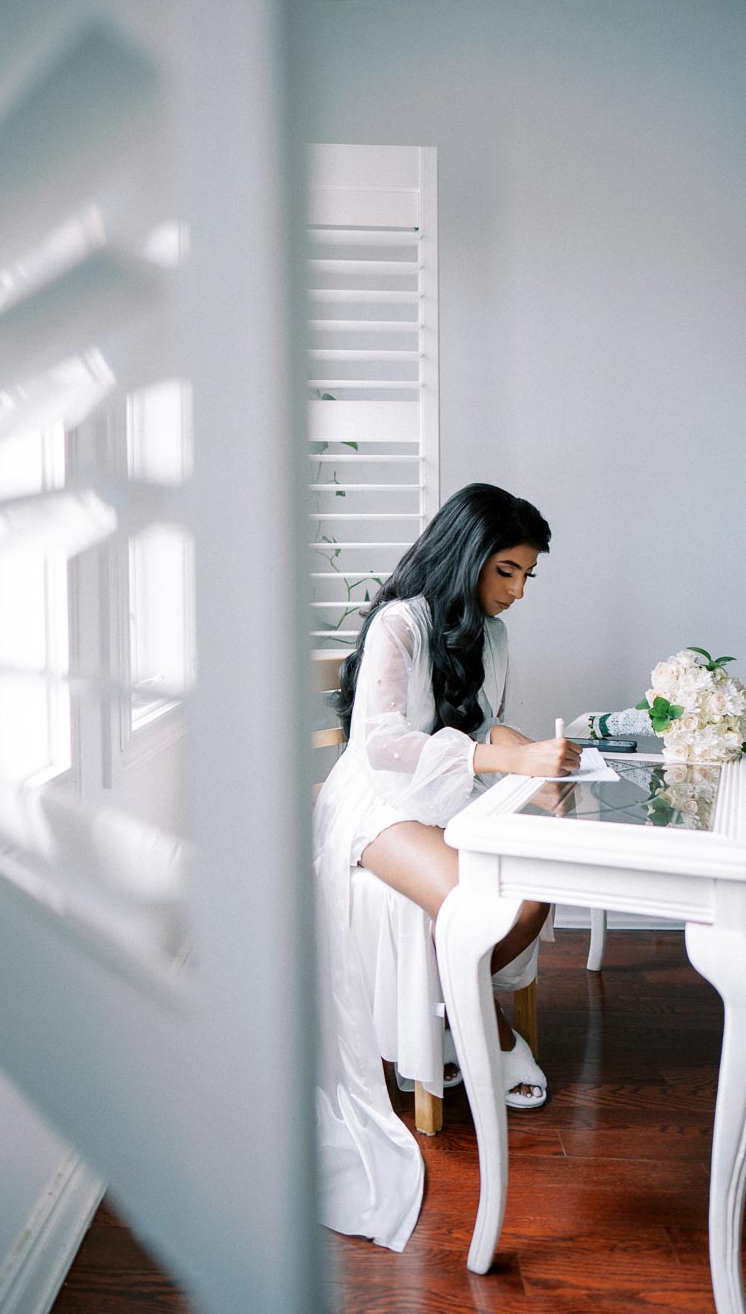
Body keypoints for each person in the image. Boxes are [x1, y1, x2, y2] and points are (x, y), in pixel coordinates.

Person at [313, 482, 580, 1252]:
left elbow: (481, 724)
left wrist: (540, 768)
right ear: (469, 557)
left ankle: (449, 1020)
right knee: (482, 904)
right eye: (508, 571)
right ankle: (484, 1034)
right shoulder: (401, 623)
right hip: (375, 803)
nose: (518, 591)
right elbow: (387, 747)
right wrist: (511, 758)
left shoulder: (485, 634)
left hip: (439, 791)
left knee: (538, 883)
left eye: (528, 576)